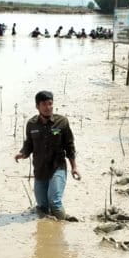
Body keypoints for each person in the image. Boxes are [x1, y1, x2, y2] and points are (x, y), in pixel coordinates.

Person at [15, 91, 80, 220]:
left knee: (55, 202)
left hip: (58, 166)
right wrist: (22, 153)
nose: (48, 107)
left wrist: (74, 167)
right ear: (37, 106)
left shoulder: (62, 122)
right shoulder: (31, 124)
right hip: (40, 169)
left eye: (50, 104)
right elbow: (29, 144)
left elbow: (70, 146)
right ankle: (49, 226)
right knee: (42, 206)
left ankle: (63, 226)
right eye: (44, 104)